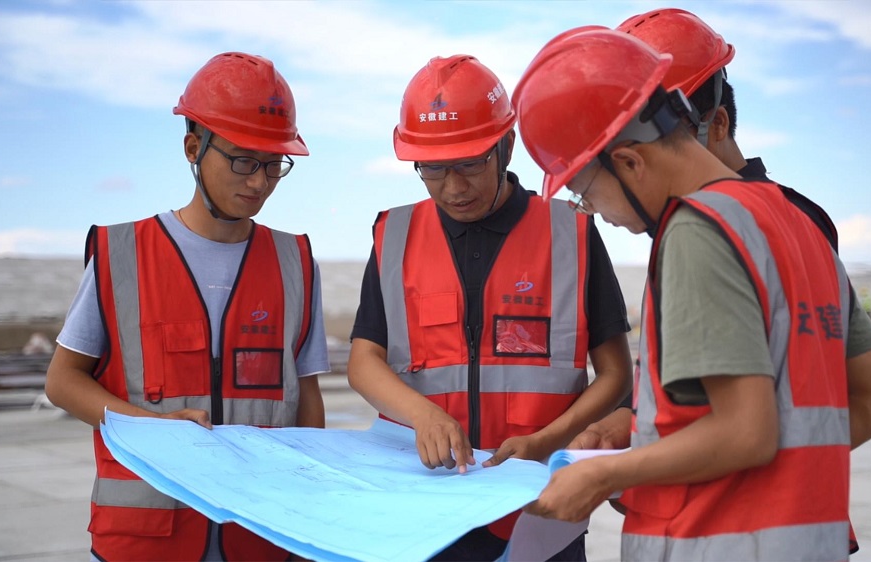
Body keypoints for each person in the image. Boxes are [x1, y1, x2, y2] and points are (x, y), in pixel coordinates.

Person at [512, 28, 871, 561]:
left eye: (585, 194)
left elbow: (745, 433)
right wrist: (645, 435)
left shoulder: (696, 231)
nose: (596, 214)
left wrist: (607, 474)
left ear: (629, 163)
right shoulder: (794, 220)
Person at [572, 9, 871, 467]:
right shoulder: (757, 221)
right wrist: (634, 422)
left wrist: (627, 473)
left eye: (665, 133)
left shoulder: (719, 230)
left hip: (734, 509)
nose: (649, 157)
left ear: (717, 124)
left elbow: (758, 424)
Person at [346, 54, 633, 561]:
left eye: (470, 164)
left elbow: (615, 374)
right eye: (433, 169)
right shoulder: (394, 235)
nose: (454, 188)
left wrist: (545, 441)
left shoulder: (571, 232)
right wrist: (423, 416)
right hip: (420, 511)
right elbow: (363, 361)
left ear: (506, 146)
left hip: (540, 510)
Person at [45, 52, 329, 562]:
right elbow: (63, 381)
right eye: (243, 160)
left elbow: (306, 400)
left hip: (263, 534)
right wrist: (149, 427)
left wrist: (310, 513)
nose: (259, 182)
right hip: (146, 540)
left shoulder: (296, 262)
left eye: (273, 164)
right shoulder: (121, 255)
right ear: (194, 148)